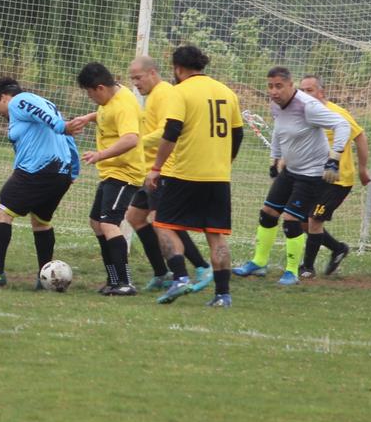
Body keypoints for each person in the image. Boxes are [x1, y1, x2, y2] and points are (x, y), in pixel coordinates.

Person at [144, 45, 242, 307]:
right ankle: (223, 295)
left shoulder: (180, 91)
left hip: (185, 173)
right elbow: (238, 134)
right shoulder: (227, 92)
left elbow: (172, 131)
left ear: (178, 68)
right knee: (216, 235)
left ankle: (179, 277)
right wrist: (225, 162)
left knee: (162, 224)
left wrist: (156, 167)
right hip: (218, 176)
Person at [233, 67, 349, 286]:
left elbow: (342, 125)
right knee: (268, 213)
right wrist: (274, 158)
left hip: (311, 174)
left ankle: (292, 272)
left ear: (290, 85)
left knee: (291, 220)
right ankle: (259, 262)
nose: (274, 91)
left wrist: (334, 158)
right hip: (290, 171)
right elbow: (279, 131)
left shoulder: (308, 106)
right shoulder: (275, 104)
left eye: (279, 86)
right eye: (270, 86)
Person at [0, 78, 80, 287]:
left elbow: (58, 126)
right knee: (40, 221)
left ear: (3, 97)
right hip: (60, 173)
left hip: (38, 169)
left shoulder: (19, 101)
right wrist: (73, 170)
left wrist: (61, 125)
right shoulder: (47, 103)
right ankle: (44, 277)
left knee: (0, 211)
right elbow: (66, 137)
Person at [122, 55, 215, 294]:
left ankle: (202, 266)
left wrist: (138, 143)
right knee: (135, 217)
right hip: (149, 170)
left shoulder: (164, 93)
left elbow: (168, 130)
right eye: (132, 79)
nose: (136, 83)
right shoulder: (154, 95)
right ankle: (161, 273)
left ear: (153, 73)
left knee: (164, 221)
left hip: (164, 169)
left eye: (138, 78)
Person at [66, 62, 142, 296]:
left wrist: (100, 155)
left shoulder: (124, 105)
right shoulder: (111, 96)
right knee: (96, 223)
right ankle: (113, 279)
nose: (90, 98)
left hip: (125, 173)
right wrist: (88, 118)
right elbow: (106, 114)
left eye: (90, 93)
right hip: (112, 172)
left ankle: (125, 282)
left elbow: (131, 139)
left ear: (100, 88)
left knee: (109, 224)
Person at [297, 75, 371, 277]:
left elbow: (360, 136)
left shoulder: (336, 113)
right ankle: (338, 249)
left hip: (338, 180)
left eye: (310, 90)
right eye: (302, 90)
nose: (304, 94)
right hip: (314, 177)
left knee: (314, 219)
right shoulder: (303, 115)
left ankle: (307, 268)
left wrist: (363, 168)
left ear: (321, 92)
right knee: (302, 221)